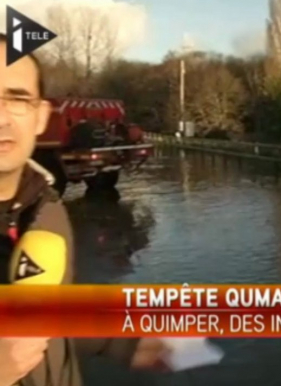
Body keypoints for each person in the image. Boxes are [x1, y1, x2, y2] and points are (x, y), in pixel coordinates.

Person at [0, 34, 169, 386]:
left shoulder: (47, 207)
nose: (1, 118)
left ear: (41, 115)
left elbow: (49, 320)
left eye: (16, 99)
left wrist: (121, 341)